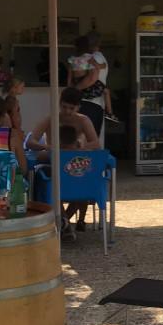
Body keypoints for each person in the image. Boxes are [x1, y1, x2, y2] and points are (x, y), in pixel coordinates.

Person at [27, 87, 101, 232]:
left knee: (81, 183)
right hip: (55, 160)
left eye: (71, 108)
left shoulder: (83, 120)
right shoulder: (51, 118)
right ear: (59, 104)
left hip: (74, 162)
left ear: (78, 107)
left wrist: (80, 148)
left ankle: (64, 221)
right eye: (64, 107)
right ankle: (64, 221)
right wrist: (48, 147)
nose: (67, 111)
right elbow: (31, 142)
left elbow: (96, 143)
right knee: (55, 183)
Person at [69, 35, 106, 141]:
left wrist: (73, 90)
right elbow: (93, 76)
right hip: (92, 101)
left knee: (78, 135)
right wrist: (102, 66)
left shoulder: (73, 60)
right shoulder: (90, 58)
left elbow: (70, 79)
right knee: (92, 137)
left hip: (80, 101)